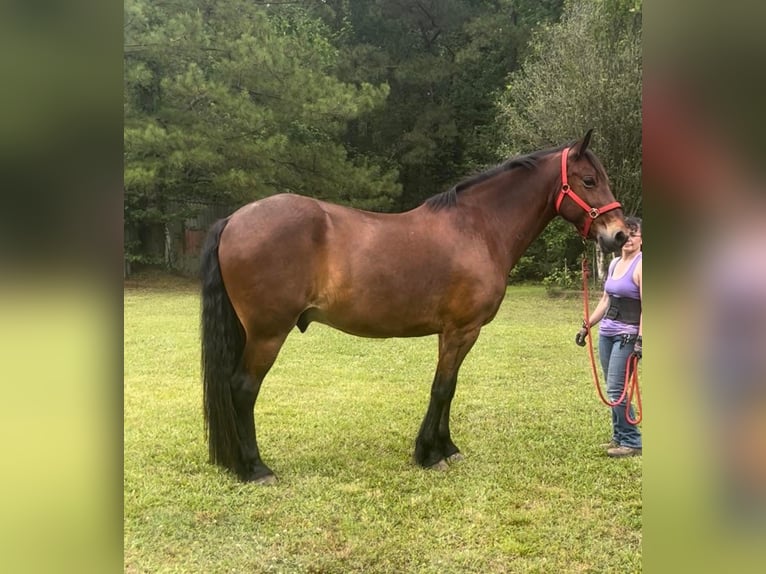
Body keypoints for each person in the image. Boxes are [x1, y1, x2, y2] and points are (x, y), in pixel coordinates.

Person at [576, 216, 643, 457]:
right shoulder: (614, 264)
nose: (629, 239)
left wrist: (641, 340)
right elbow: (605, 299)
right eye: (626, 234)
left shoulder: (642, 265)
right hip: (607, 332)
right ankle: (619, 436)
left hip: (628, 335)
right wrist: (588, 325)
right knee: (613, 388)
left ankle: (632, 441)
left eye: (634, 234)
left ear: (642, 239)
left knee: (616, 390)